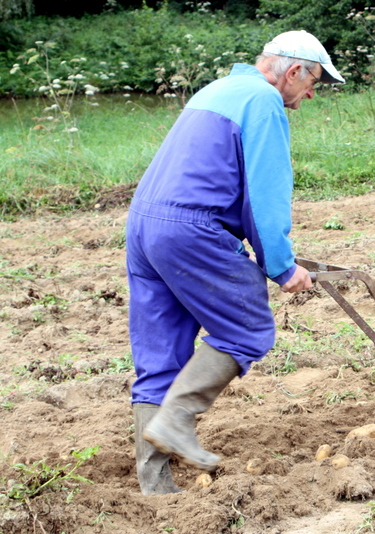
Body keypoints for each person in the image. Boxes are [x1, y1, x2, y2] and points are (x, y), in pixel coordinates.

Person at [125, 30, 345, 495]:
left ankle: (156, 489)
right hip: (191, 227)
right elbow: (264, 197)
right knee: (246, 327)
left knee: (160, 357)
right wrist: (282, 267)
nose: (307, 97)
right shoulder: (263, 101)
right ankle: (177, 420)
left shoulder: (217, 89)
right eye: (312, 85)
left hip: (145, 225)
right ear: (292, 72)